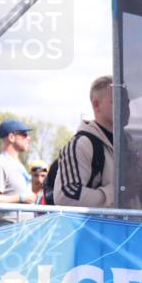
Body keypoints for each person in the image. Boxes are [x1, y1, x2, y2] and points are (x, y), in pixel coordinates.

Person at [53, 75, 116, 207]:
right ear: (96, 105)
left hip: (129, 227)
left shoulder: (131, 145)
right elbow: (65, 196)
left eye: (127, 101)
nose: (125, 106)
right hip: (96, 227)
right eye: (116, 100)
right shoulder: (82, 144)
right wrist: (116, 192)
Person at [0, 118, 36, 209]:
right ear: (11, 137)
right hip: (8, 223)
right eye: (24, 134)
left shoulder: (17, 164)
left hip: (23, 222)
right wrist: (20, 198)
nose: (28, 138)